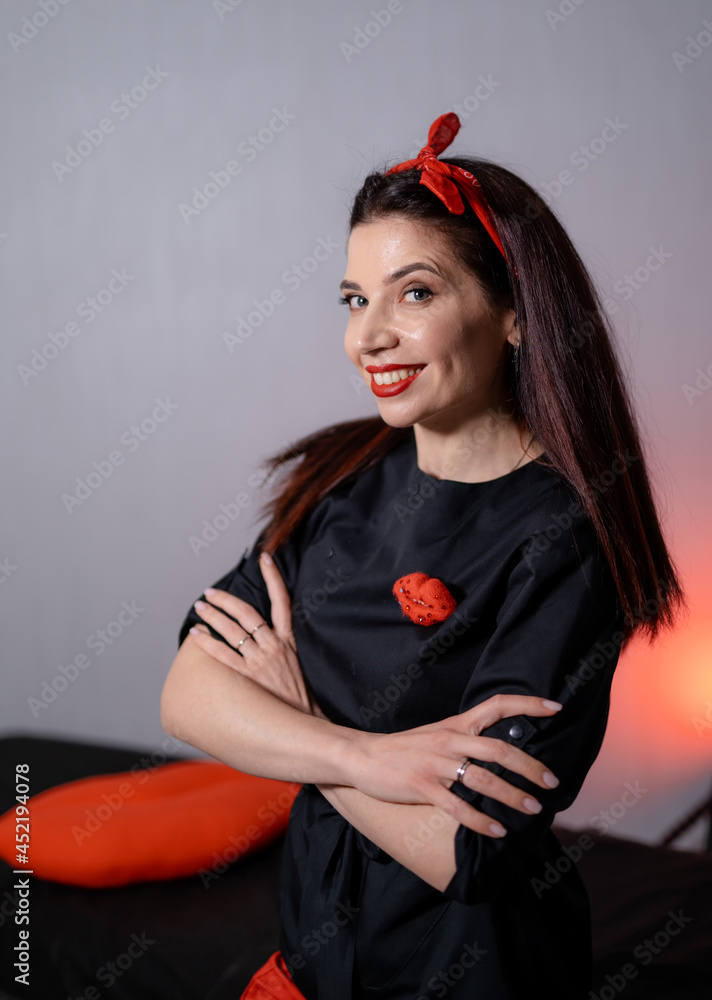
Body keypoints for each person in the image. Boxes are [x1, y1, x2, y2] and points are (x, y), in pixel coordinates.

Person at [160, 112, 685, 999]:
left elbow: (467, 852)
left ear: (514, 315)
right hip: (314, 960)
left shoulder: (561, 538)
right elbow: (187, 695)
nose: (366, 338)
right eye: (355, 299)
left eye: (416, 294)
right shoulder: (338, 478)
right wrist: (363, 756)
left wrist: (295, 725)